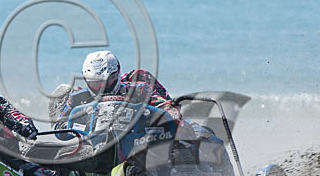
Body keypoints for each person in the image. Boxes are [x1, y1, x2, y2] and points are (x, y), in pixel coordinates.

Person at [53, 50, 226, 165]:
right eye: (94, 84)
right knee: (59, 162)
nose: (101, 88)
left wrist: (174, 117)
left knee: (209, 139)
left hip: (144, 143)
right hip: (98, 148)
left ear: (116, 74)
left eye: (106, 82)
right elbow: (60, 127)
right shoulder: (78, 98)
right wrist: (76, 125)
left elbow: (164, 105)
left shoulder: (138, 88)